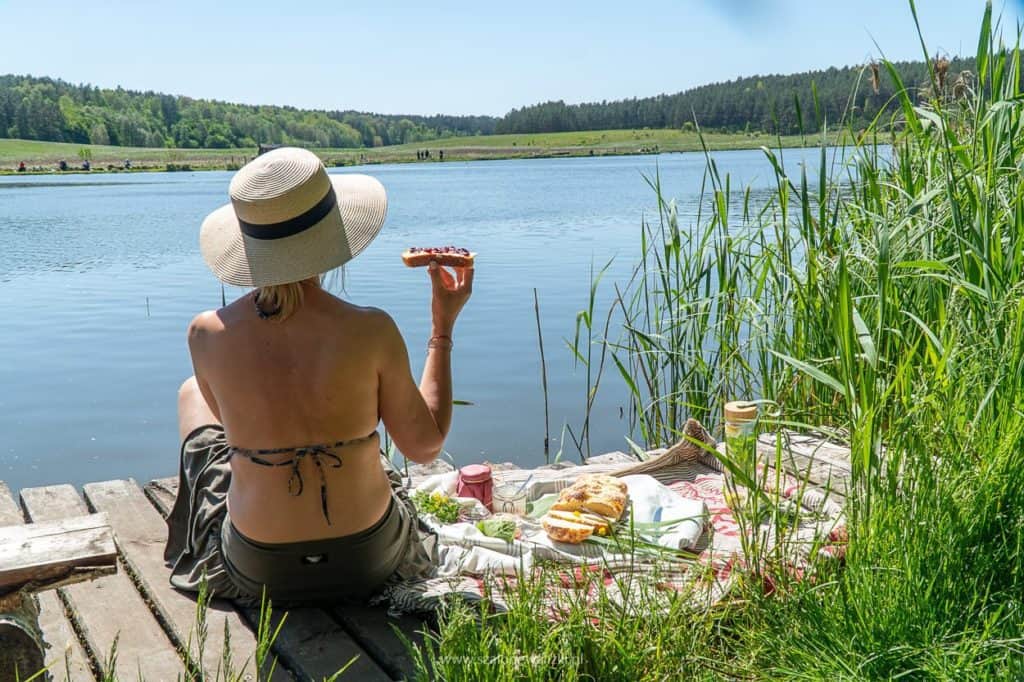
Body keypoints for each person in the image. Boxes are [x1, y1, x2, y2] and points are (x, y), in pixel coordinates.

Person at [164, 147, 473, 605]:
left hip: (259, 568)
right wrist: (442, 328)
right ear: (331, 236)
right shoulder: (371, 329)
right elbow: (424, 447)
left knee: (192, 394)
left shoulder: (205, 333)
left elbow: (233, 432)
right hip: (369, 557)